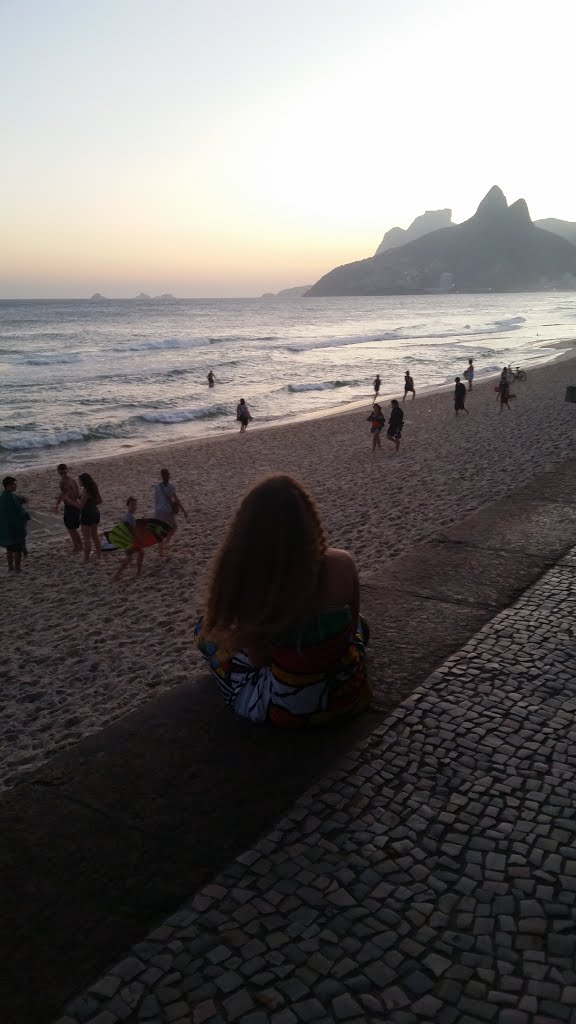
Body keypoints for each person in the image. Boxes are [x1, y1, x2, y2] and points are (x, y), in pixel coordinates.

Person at [193, 475, 371, 728]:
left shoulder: (257, 580)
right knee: (360, 625)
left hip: (288, 709)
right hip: (348, 692)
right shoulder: (342, 562)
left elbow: (258, 660)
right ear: (309, 517)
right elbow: (351, 630)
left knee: (204, 633)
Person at [0, 476, 30, 573]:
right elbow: (18, 511)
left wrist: (21, 499)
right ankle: (17, 568)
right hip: (14, 527)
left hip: (6, 527)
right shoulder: (11, 498)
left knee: (9, 548)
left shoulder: (3, 497)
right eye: (14, 484)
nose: (16, 485)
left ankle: (10, 568)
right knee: (17, 549)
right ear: (9, 486)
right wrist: (26, 515)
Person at [154, 468, 188, 549]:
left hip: (158, 511)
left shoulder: (157, 487)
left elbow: (156, 500)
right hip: (167, 511)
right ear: (168, 476)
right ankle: (166, 541)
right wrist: (184, 511)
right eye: (168, 475)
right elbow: (176, 500)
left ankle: (160, 548)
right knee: (174, 527)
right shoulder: (171, 487)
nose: (169, 476)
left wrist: (156, 511)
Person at [52, 464, 82, 552]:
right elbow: (62, 494)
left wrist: (69, 496)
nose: (63, 474)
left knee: (72, 528)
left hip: (73, 506)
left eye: (64, 472)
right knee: (69, 528)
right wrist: (57, 505)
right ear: (58, 472)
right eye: (61, 473)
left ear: (67, 470)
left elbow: (77, 494)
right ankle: (75, 545)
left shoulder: (72, 481)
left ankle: (80, 545)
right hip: (67, 506)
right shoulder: (61, 482)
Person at [114, 497, 145, 579]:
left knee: (131, 557)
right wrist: (138, 539)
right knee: (136, 555)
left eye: (135, 505)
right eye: (132, 505)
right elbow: (131, 530)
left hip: (127, 540)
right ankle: (138, 572)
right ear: (128, 505)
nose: (134, 506)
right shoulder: (130, 517)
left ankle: (118, 575)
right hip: (131, 541)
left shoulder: (128, 516)